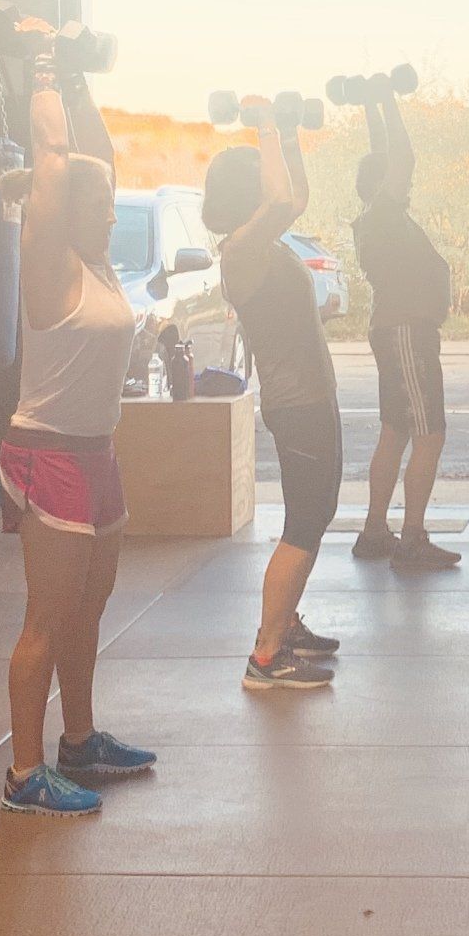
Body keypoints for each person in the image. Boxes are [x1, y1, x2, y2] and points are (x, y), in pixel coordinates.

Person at [0, 20, 157, 816]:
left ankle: (80, 741)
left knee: (87, 611)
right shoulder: (50, 263)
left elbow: (96, 157)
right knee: (46, 621)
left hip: (98, 454)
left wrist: (84, 81)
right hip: (49, 455)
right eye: (100, 205)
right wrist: (45, 65)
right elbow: (56, 157)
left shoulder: (99, 267)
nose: (112, 215)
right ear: (62, 211)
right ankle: (24, 776)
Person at [202, 95, 343, 689]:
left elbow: (295, 197)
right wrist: (264, 124)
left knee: (317, 514)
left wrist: (287, 134)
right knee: (303, 524)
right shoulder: (242, 250)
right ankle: (265, 656)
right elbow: (284, 200)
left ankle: (285, 623)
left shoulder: (262, 241)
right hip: (297, 405)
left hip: (312, 399)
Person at [349, 71, 459, 571]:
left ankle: (375, 531)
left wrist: (372, 103)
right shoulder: (383, 214)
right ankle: (412, 538)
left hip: (396, 332)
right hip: (408, 335)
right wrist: (389, 99)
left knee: (395, 431)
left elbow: (384, 154)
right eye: (398, 179)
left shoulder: (378, 216)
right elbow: (402, 157)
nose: (407, 183)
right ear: (384, 184)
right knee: (429, 434)